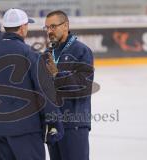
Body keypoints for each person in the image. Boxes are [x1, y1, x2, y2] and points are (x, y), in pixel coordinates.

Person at [0, 8, 64, 160]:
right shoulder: (31, 54)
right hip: (25, 132)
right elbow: (45, 93)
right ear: (22, 28)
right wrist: (54, 123)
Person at [43, 10, 94, 160]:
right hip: (53, 124)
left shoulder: (82, 51)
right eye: (47, 27)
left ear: (65, 26)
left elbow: (84, 87)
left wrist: (56, 75)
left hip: (74, 124)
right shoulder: (48, 53)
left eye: (53, 26)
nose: (49, 31)